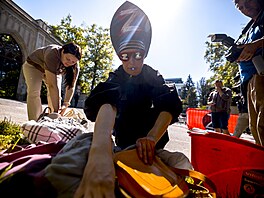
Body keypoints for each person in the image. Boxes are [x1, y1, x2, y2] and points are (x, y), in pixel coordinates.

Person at [44, 2, 192, 198]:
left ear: (145, 54)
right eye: (125, 56)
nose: (131, 62)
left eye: (138, 55)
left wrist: (151, 138)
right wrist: (99, 154)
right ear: (119, 56)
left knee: (181, 162)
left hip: (150, 151)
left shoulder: (153, 76)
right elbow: (107, 103)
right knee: (75, 152)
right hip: (120, 146)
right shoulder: (116, 77)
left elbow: (168, 105)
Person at [22, 42, 82, 121]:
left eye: (73, 62)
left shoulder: (75, 66)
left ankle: (52, 121)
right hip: (34, 66)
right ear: (62, 51)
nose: (69, 63)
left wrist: (65, 104)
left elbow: (71, 86)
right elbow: (52, 86)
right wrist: (56, 111)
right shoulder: (52, 53)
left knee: (57, 97)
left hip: (54, 72)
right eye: (68, 59)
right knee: (34, 92)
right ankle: (35, 122)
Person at [233, 0, 264, 145]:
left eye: (247, 1)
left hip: (261, 77)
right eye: (240, 7)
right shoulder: (251, 28)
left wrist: (257, 44)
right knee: (257, 129)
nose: (245, 8)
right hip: (251, 83)